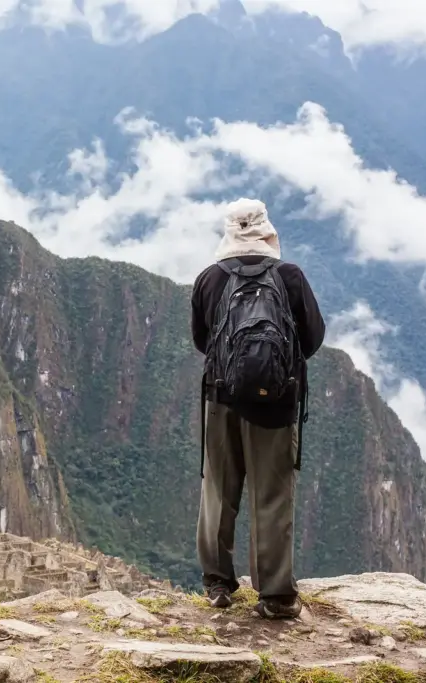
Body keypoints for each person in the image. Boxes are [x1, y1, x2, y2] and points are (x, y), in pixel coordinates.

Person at [191, 198, 325, 619]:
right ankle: (276, 596)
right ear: (267, 231)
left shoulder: (209, 279)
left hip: (221, 398)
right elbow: (313, 337)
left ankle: (217, 583)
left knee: (218, 490)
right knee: (271, 496)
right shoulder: (289, 276)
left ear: (228, 231)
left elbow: (201, 340)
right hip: (277, 404)